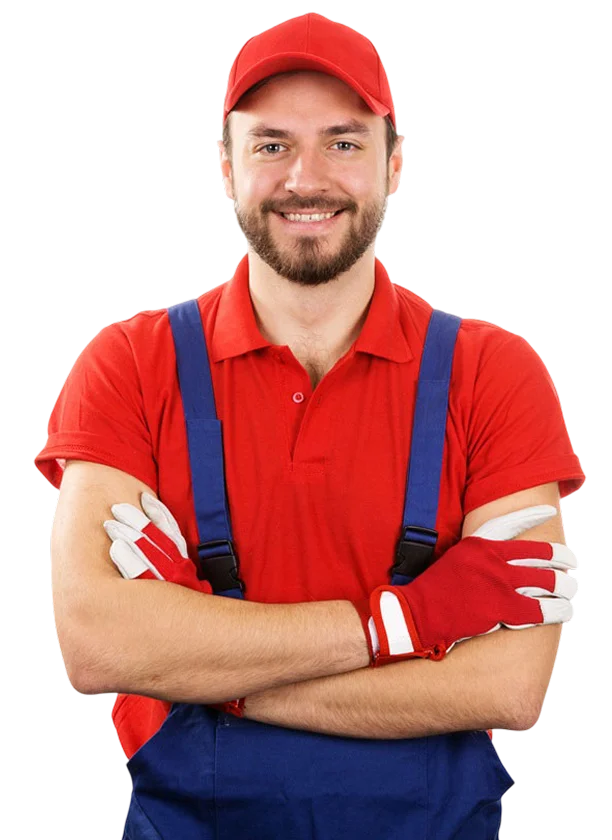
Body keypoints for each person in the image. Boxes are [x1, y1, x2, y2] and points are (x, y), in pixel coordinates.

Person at [34, 11, 585, 840]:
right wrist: (407, 622)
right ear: (226, 165)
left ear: (395, 163)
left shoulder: (495, 374)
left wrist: (205, 668)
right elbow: (96, 644)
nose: (306, 178)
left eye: (343, 142)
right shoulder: (128, 367)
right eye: (271, 145)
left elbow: (505, 687)